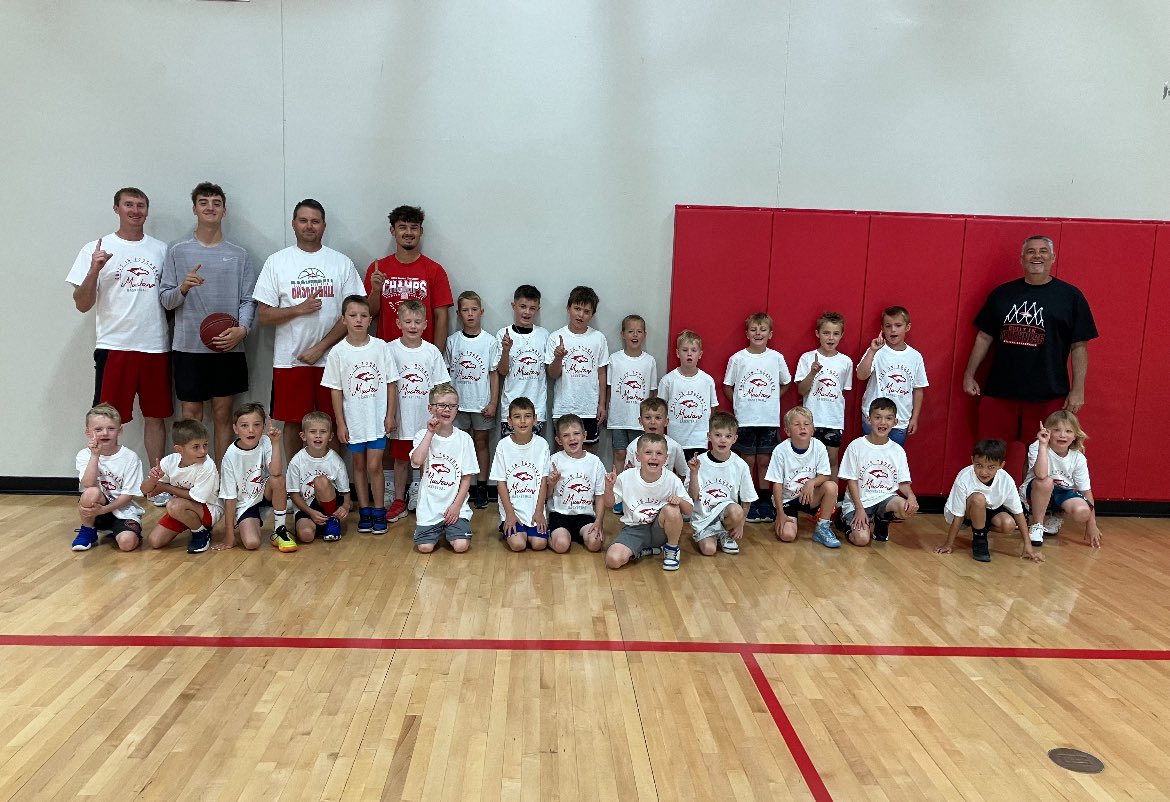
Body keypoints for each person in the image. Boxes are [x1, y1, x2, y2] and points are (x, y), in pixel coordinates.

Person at [66, 187, 171, 483]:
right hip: (115, 346)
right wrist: (94, 270)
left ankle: (156, 480)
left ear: (147, 211)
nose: (135, 210)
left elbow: (171, 299)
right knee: (107, 420)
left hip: (155, 346)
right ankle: (104, 481)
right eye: (129, 205)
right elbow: (82, 304)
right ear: (116, 209)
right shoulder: (95, 248)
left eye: (140, 205)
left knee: (156, 416)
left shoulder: (161, 250)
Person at [252, 199, 364, 462]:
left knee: (333, 422)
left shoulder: (341, 263)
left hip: (334, 359)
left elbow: (353, 314)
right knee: (293, 423)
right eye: (303, 220)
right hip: (290, 361)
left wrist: (320, 348)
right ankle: (294, 486)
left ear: (324, 225)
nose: (309, 226)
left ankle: (334, 484)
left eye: (315, 221)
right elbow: (264, 315)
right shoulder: (277, 262)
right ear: (293, 224)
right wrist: (298, 309)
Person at [963, 235, 1098, 445]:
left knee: (1041, 460)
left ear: (1052, 257)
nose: (1037, 256)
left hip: (1049, 394)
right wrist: (969, 374)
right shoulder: (1002, 294)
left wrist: (1078, 389)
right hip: (1000, 390)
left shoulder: (1071, 297)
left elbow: (1079, 345)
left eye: (1043, 251)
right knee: (988, 455)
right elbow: (984, 336)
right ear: (1022, 259)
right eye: (1031, 251)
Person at [160, 182, 256, 464]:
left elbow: (249, 300)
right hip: (188, 348)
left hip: (228, 347)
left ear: (224, 210)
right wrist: (183, 288)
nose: (210, 207)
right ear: (194, 209)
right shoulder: (177, 250)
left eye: (216, 202)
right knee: (191, 415)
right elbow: (166, 299)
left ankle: (224, 479)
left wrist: (242, 329)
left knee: (224, 414)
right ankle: (194, 477)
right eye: (204, 202)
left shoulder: (240, 254)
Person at [322, 295, 399, 535]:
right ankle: (364, 510)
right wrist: (340, 423)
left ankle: (379, 509)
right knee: (358, 463)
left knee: (374, 465)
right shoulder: (338, 352)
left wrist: (390, 415)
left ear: (370, 319)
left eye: (363, 316)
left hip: (376, 419)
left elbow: (391, 383)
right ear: (343, 319)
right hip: (353, 420)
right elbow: (336, 390)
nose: (358, 320)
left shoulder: (380, 347)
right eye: (353, 315)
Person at [386, 300, 451, 523]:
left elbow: (442, 387)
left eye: (417, 322)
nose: (412, 326)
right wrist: (389, 415)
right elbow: (386, 385)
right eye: (407, 321)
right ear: (398, 323)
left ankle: (425, 498)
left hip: (426, 422)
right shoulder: (390, 350)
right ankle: (398, 501)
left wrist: (439, 415)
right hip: (402, 418)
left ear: (425, 324)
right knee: (401, 461)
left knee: (426, 461)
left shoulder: (432, 351)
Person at [723, 312, 791, 522]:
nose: (758, 333)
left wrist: (773, 398)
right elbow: (728, 385)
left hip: (768, 420)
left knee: (764, 460)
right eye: (753, 329)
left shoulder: (776, 357)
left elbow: (786, 382)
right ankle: (747, 501)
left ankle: (764, 499)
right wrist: (739, 405)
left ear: (770, 334)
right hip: (745, 420)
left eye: (762, 330)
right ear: (747, 333)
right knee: (747, 460)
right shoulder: (738, 358)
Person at [936, 438, 1041, 563]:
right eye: (979, 465)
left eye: (991, 467)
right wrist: (948, 544)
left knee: (1009, 525)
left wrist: (1028, 546)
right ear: (972, 461)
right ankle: (980, 540)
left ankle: (981, 528)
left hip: (990, 510)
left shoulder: (1006, 480)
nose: (984, 472)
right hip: (967, 514)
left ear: (1001, 465)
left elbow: (1018, 513)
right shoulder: (964, 477)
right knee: (978, 498)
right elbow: (958, 516)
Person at [364, 205, 454, 346]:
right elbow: (368, 315)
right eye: (402, 227)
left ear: (421, 231)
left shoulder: (435, 270)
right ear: (392, 230)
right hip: (387, 354)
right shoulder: (378, 269)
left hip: (422, 356)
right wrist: (376, 291)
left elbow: (441, 317)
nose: (408, 232)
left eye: (414, 227)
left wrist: (436, 355)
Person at [604, 433, 693, 571]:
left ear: (666, 458)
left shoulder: (671, 479)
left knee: (672, 509)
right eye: (648, 452)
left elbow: (689, 511)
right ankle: (647, 550)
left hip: (660, 530)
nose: (653, 457)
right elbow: (609, 504)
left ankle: (671, 549)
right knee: (613, 560)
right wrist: (608, 488)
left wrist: (679, 501)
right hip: (635, 529)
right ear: (638, 456)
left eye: (659, 453)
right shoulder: (626, 477)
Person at [837, 397, 919, 546]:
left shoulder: (898, 451)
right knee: (862, 540)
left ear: (895, 422)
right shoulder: (856, 446)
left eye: (888, 418)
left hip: (885, 499)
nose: (882, 422)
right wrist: (860, 509)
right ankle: (844, 520)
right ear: (869, 420)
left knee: (906, 509)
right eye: (877, 417)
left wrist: (911, 496)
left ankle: (881, 520)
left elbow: (902, 482)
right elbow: (851, 481)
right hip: (859, 503)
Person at [445, 291, 500, 508]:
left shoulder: (489, 341)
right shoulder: (453, 341)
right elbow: (446, 374)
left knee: (481, 443)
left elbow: (494, 374)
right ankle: (459, 489)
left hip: (481, 404)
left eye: (474, 310)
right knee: (458, 446)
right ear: (458, 314)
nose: (470, 314)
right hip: (458, 406)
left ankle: (482, 487)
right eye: (465, 310)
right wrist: (448, 405)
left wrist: (493, 402)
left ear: (481, 312)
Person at [214, 402, 293, 552]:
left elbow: (275, 472)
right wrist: (229, 536)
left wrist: (276, 443)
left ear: (263, 427)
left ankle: (280, 531)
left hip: (264, 493)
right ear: (235, 428)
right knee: (252, 543)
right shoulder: (230, 456)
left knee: (278, 479)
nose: (251, 430)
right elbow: (229, 498)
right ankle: (248, 522)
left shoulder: (266, 441)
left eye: (256, 425)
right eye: (244, 426)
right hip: (244, 503)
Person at [410, 383, 478, 554]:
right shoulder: (421, 435)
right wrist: (430, 433)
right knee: (424, 548)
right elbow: (417, 461)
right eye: (441, 405)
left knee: (461, 546)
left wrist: (456, 506)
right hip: (429, 508)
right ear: (430, 408)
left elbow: (467, 477)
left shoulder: (464, 439)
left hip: (455, 507)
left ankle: (451, 529)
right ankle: (433, 530)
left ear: (457, 409)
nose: (447, 410)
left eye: (452, 406)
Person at [1020, 411, 1102, 548]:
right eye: (1056, 430)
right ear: (1047, 431)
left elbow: (1086, 491)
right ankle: (1037, 525)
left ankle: (1057, 516)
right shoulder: (1037, 446)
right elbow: (1040, 474)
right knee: (1045, 482)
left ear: (1075, 435)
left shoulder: (1078, 457)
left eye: (1068, 431)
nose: (1062, 435)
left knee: (1083, 512)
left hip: (1062, 491)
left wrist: (1092, 524)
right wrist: (1042, 445)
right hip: (1036, 489)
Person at [140, 419, 223, 554]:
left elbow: (198, 499)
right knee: (155, 541)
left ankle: (201, 532)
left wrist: (164, 487)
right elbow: (145, 490)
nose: (203, 451)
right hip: (182, 509)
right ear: (179, 449)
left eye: (205, 445)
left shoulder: (207, 466)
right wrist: (153, 479)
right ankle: (192, 524)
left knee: (174, 505)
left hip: (210, 510)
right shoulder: (168, 461)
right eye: (196, 447)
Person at [72, 403, 144, 552]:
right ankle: (88, 530)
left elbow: (128, 495)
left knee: (127, 544)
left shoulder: (130, 458)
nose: (105, 433)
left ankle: (126, 531)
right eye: (98, 429)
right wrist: (95, 456)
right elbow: (88, 484)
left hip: (123, 510)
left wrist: (104, 510)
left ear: (120, 431)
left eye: (111, 428)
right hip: (97, 509)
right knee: (91, 492)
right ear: (88, 432)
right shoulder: (84, 455)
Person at [765, 407, 840, 548]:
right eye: (797, 424)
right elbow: (777, 485)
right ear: (787, 431)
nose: (802, 427)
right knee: (788, 536)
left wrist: (811, 482)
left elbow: (826, 475)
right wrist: (780, 513)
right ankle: (781, 519)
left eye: (806, 424)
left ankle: (822, 528)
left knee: (831, 486)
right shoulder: (780, 451)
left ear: (813, 429)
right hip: (788, 499)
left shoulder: (819, 447)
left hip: (809, 496)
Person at [546, 286, 610, 452]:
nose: (581, 315)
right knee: (561, 456)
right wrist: (558, 357)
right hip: (563, 408)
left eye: (586, 311)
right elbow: (552, 374)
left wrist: (602, 404)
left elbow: (602, 373)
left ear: (592, 314)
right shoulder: (556, 337)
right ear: (568, 308)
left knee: (588, 456)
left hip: (589, 409)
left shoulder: (598, 338)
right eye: (577, 309)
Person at [856, 306, 927, 448]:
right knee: (869, 457)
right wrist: (872, 351)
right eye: (888, 326)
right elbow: (861, 375)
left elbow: (918, 389)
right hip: (873, 417)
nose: (893, 330)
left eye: (898, 325)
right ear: (882, 328)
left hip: (900, 420)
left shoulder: (915, 357)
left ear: (907, 327)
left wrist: (915, 417)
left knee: (891, 460)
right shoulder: (877, 351)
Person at [687, 412, 756, 557]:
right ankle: (710, 535)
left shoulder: (740, 465)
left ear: (735, 439)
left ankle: (725, 533)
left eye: (728, 436)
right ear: (709, 436)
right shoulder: (698, 462)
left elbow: (747, 499)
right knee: (709, 550)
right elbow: (693, 496)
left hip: (727, 514)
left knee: (737, 511)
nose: (722, 440)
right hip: (704, 518)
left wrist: (740, 524)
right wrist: (694, 473)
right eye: (718, 435)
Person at [794, 311, 853, 477]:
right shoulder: (806, 358)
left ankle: (830, 501)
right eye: (826, 333)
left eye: (835, 334)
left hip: (833, 420)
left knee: (832, 460)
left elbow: (842, 391)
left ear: (842, 335)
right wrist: (812, 374)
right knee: (809, 460)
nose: (831, 338)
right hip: (810, 420)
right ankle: (809, 499)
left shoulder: (846, 362)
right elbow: (801, 390)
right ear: (817, 333)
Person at [491, 397, 551, 552]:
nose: (523, 421)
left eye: (528, 416)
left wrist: (539, 511)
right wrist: (509, 514)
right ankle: (508, 525)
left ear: (535, 420)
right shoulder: (503, 446)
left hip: (533, 510)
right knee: (518, 545)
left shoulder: (542, 445)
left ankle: (530, 526)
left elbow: (543, 481)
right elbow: (501, 482)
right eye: (517, 417)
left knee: (539, 544)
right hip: (512, 511)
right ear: (509, 421)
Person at [286, 411, 352, 543]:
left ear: (331, 436)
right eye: (312, 432)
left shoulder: (336, 461)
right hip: (306, 507)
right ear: (303, 436)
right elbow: (293, 494)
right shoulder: (296, 461)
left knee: (320, 480)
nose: (318, 435)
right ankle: (323, 526)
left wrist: (345, 506)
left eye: (323, 431)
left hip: (330, 505)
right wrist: (310, 512)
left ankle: (332, 521)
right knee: (306, 536)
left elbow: (345, 492)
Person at [546, 415, 608, 553]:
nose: (572, 438)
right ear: (559, 440)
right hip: (560, 515)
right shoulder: (554, 460)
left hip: (585, 516)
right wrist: (551, 484)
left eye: (576, 434)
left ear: (584, 435)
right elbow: (546, 496)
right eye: (566, 435)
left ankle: (579, 535)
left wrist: (598, 522)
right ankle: (550, 535)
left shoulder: (595, 462)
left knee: (595, 544)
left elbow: (599, 496)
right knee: (561, 546)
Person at [496, 285, 550, 437]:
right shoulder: (503, 334)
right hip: (511, 409)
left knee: (534, 454)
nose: (527, 312)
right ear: (514, 306)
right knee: (511, 454)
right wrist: (506, 350)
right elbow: (502, 371)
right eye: (523, 306)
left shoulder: (544, 335)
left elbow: (551, 371)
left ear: (538, 309)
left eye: (532, 308)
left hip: (536, 409)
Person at [606, 314, 657, 473]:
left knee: (639, 455)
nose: (635, 335)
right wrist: (607, 409)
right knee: (620, 453)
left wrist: (650, 417)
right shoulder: (614, 359)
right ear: (622, 334)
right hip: (619, 417)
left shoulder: (649, 361)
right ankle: (617, 490)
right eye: (630, 331)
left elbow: (652, 392)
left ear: (644, 335)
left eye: (639, 331)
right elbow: (608, 387)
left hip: (641, 420)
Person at [658, 329, 718, 460]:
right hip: (675, 439)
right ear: (677, 353)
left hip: (699, 440)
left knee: (696, 475)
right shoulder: (668, 380)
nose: (689, 354)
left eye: (693, 350)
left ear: (700, 354)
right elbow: (660, 410)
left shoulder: (707, 380)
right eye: (685, 350)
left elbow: (712, 408)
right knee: (678, 476)